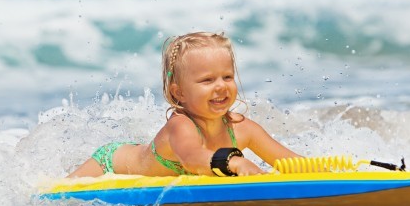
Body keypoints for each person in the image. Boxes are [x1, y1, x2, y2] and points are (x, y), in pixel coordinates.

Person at [67, 32, 302, 178]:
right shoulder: (180, 126)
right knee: (60, 200)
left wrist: (318, 170)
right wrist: (233, 161)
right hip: (109, 165)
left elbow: (290, 163)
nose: (221, 86)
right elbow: (192, 158)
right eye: (207, 80)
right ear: (179, 92)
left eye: (227, 77)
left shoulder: (242, 128)